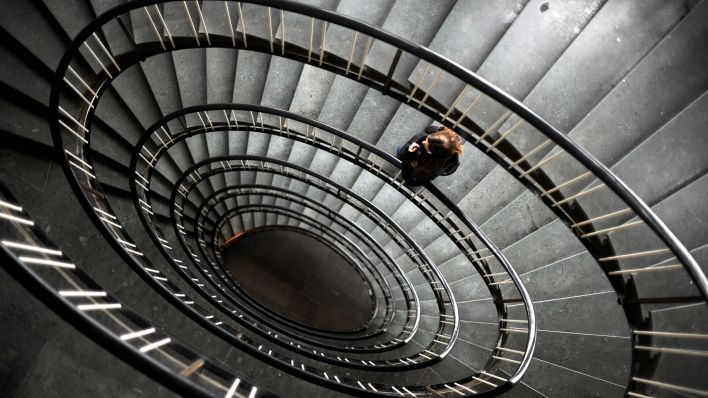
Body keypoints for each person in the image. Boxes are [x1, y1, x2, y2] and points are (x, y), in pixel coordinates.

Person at [395, 125, 464, 186]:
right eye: (428, 137)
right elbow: (428, 129)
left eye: (426, 145)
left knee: (400, 154)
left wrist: (408, 153)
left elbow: (410, 181)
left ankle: (399, 155)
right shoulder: (447, 140)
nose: (423, 141)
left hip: (418, 163)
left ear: (431, 152)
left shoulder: (431, 170)